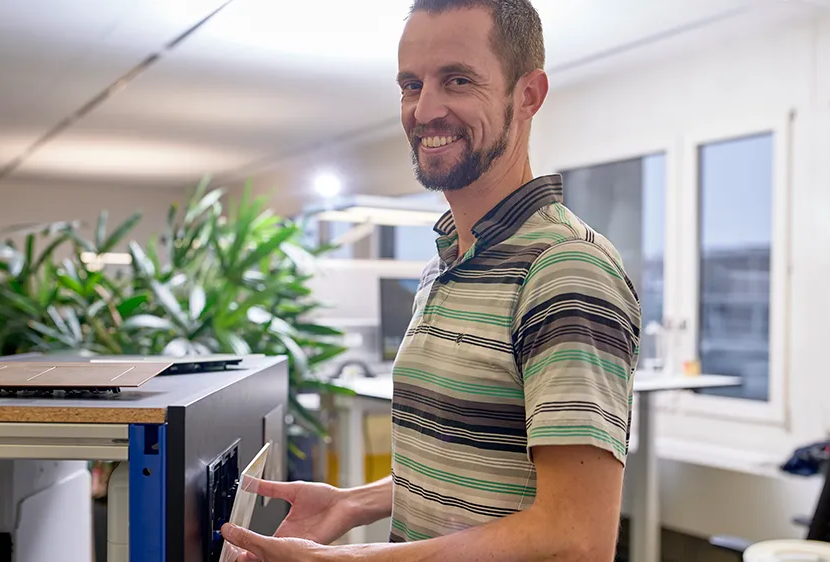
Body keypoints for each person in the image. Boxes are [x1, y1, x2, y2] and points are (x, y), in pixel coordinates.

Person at [221, 0, 642, 560]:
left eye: (458, 80)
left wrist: (350, 560)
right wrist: (355, 503)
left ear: (529, 95)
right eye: (411, 85)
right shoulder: (444, 264)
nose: (425, 109)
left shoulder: (565, 271)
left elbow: (576, 538)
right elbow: (474, 468)